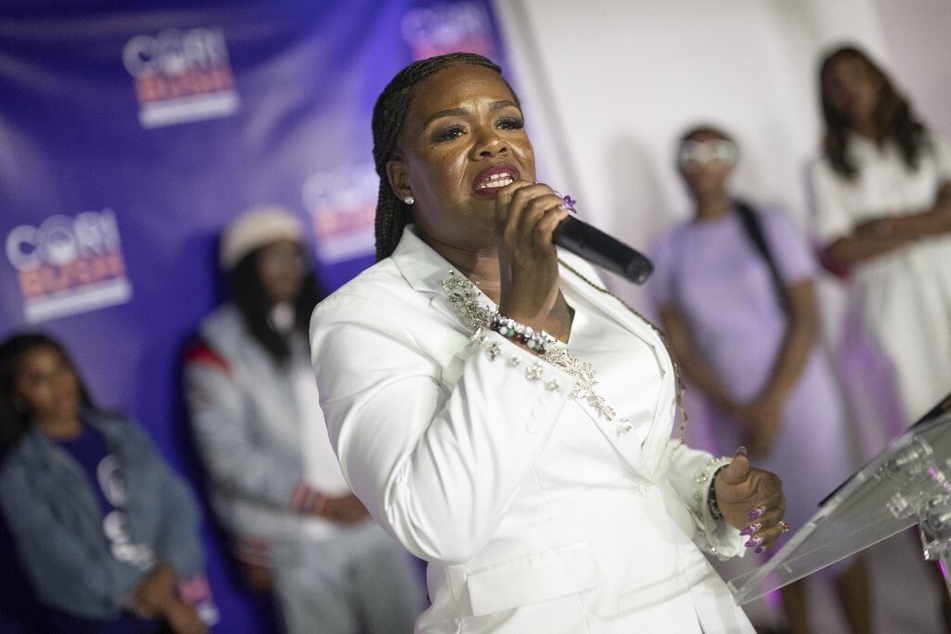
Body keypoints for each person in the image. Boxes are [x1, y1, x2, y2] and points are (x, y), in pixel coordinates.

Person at [308, 51, 787, 633]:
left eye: (508, 122)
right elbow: (437, 522)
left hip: (693, 608)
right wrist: (522, 325)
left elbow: (625, 450)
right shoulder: (364, 316)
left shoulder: (570, 272)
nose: (492, 144)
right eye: (453, 131)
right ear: (403, 178)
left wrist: (712, 490)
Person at [648, 125, 872, 633]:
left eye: (716, 150)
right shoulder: (669, 247)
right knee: (769, 538)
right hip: (733, 410)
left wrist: (770, 405)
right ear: (679, 164)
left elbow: (805, 315)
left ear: (732, 161)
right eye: (691, 151)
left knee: (835, 529)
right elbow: (678, 344)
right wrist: (739, 409)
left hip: (800, 400)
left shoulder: (768, 223)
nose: (703, 160)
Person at [183, 207, 425, 634]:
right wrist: (322, 503)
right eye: (273, 258)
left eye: (295, 256)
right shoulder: (216, 347)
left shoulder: (330, 321)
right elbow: (228, 456)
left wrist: (375, 483)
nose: (289, 269)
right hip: (294, 539)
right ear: (245, 268)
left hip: (368, 517)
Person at [0, 332, 214, 634]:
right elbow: (60, 562)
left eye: (61, 367)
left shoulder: (122, 432)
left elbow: (177, 503)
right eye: (38, 379)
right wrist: (162, 601)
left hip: (165, 605)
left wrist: (167, 576)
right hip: (99, 621)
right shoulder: (18, 474)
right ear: (17, 397)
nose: (58, 383)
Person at [809, 44, 951, 459]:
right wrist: (929, 220)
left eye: (855, 74)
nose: (847, 88)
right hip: (888, 307)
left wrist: (879, 226)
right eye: (834, 85)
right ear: (827, 100)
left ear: (877, 78)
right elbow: (836, 250)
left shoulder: (930, 145)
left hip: (944, 282)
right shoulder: (825, 168)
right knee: (915, 422)